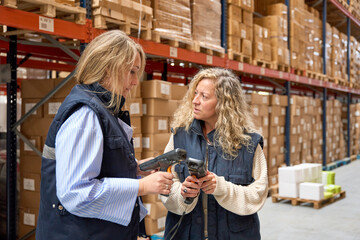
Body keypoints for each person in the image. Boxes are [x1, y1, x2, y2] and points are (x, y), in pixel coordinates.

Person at [36, 30, 173, 240]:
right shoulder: (86, 116)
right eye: (132, 71)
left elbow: (98, 166)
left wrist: (135, 168)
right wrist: (142, 186)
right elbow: (76, 193)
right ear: (109, 68)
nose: (136, 82)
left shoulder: (103, 110)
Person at [161, 68, 268, 240]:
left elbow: (258, 195)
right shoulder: (179, 137)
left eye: (204, 96)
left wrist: (220, 188)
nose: (195, 101)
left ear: (224, 102)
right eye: (195, 94)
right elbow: (165, 184)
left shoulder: (249, 144)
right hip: (185, 234)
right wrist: (183, 193)